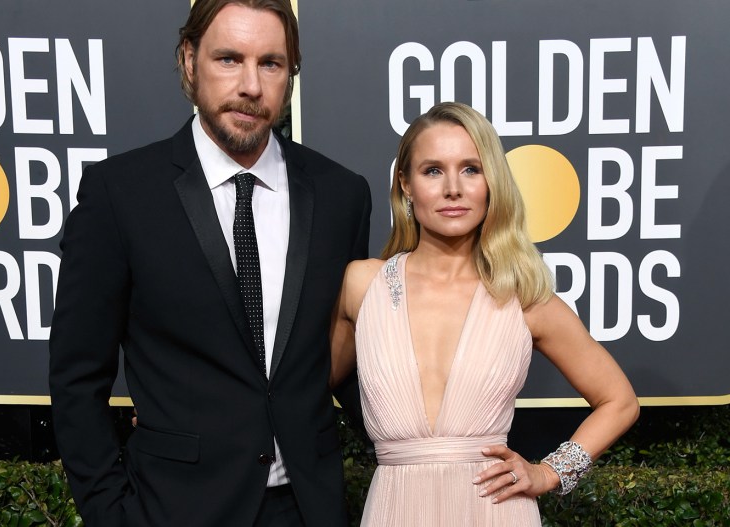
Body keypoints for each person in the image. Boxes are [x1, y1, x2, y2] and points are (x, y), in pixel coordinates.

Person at [48, 1, 371, 525]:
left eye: (270, 63)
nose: (250, 85)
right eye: (228, 59)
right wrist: (111, 514)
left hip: (309, 509)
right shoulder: (121, 193)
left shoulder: (342, 195)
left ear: (290, 75)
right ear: (188, 60)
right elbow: (76, 378)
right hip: (175, 509)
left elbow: (345, 358)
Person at [330, 101, 639, 525]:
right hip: (394, 508)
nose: (453, 188)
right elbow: (304, 388)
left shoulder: (522, 294)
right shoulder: (362, 285)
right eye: (432, 170)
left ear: (492, 181)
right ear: (405, 183)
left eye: (471, 169)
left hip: (495, 510)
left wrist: (550, 473)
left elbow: (619, 401)